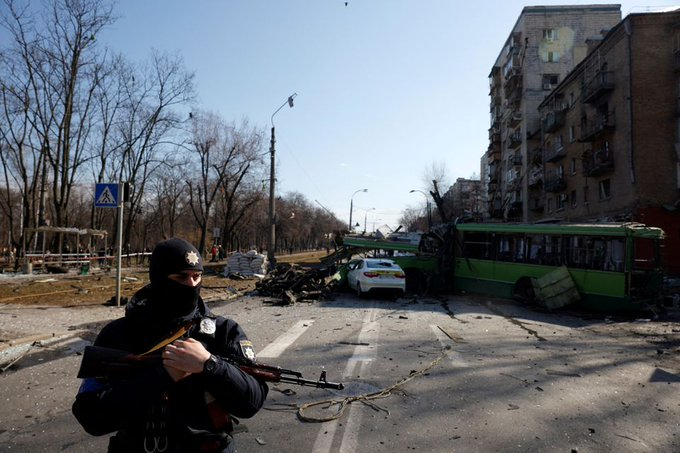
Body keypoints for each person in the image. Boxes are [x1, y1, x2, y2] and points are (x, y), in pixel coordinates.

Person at [72, 237, 268, 452]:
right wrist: (162, 375)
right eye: (181, 277)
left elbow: (252, 402)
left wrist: (210, 365)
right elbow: (91, 417)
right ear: (159, 279)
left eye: (196, 276)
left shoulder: (223, 330)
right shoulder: (119, 333)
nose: (191, 285)